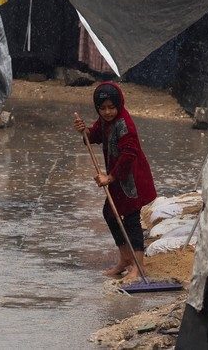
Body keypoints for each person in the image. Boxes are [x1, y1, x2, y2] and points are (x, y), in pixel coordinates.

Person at [73, 82, 157, 281]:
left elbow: (129, 154)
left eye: (111, 107)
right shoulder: (106, 122)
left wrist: (109, 177)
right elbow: (95, 136)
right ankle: (126, 259)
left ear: (119, 105)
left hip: (131, 179)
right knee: (110, 214)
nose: (107, 112)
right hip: (119, 177)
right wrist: (84, 131)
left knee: (130, 219)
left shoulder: (124, 125)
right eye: (102, 108)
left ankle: (139, 267)